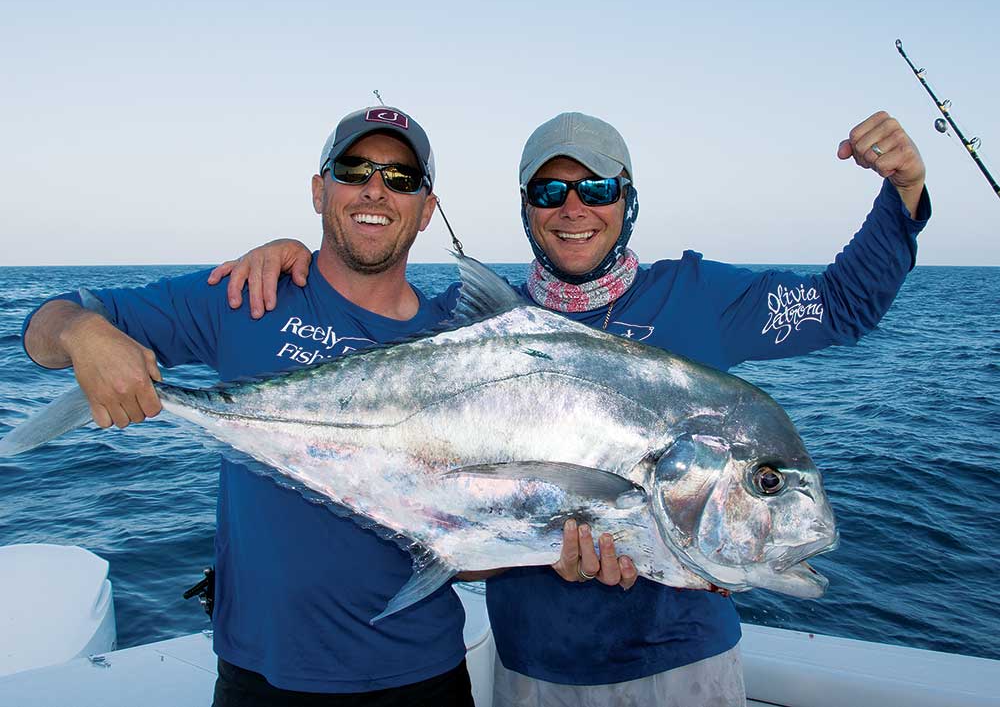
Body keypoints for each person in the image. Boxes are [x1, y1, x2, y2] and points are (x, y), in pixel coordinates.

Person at [213, 109, 930, 706]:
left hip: (681, 667)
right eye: (549, 192)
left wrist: (902, 191)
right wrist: (296, 259)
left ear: (629, 198)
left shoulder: (699, 299)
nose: (574, 208)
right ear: (526, 207)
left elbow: (841, 304)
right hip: (534, 671)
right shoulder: (470, 329)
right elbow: (366, 335)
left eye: (596, 186)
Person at [20, 106, 478, 706]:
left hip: (422, 675)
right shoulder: (245, 296)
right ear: (320, 191)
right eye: (354, 168)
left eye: (401, 179)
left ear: (426, 210)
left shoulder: (465, 342)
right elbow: (43, 328)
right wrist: (83, 334)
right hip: (261, 677)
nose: (375, 190)